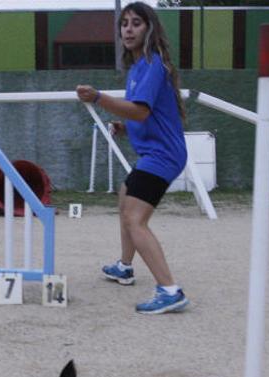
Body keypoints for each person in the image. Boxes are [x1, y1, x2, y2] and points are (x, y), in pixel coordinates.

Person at [76, 2, 188, 315]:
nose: (128, 29)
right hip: (155, 152)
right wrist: (125, 127)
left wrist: (99, 98)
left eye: (136, 23)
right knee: (126, 198)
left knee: (135, 219)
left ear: (149, 28)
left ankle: (170, 290)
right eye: (124, 23)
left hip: (163, 155)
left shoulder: (154, 64)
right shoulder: (138, 67)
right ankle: (125, 267)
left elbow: (140, 109)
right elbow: (144, 114)